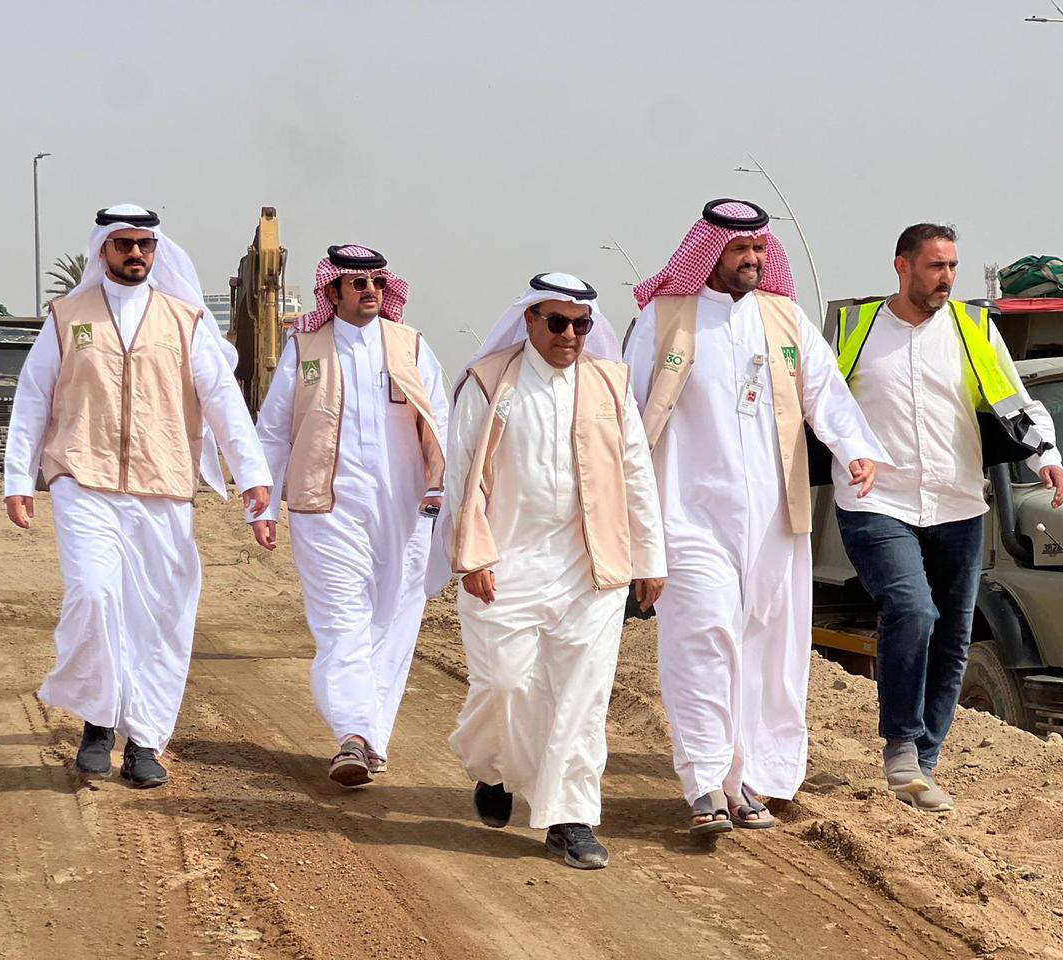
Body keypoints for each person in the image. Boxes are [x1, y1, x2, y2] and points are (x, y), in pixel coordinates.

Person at [626, 199, 886, 834]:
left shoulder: (784, 318)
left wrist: (854, 449)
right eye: (740, 249)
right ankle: (704, 781)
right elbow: (627, 415)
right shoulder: (664, 318)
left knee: (768, 646)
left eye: (760, 249)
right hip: (687, 513)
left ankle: (748, 778)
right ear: (709, 251)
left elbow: (825, 392)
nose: (752, 259)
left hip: (773, 516)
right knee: (703, 638)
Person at [4, 204, 271, 788]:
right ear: (103, 248)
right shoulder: (68, 316)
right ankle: (99, 721)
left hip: (164, 483)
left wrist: (252, 475)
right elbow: (33, 399)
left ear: (156, 250)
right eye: (123, 243)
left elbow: (224, 401)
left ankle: (145, 738)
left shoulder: (184, 320)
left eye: (144, 244)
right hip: (82, 476)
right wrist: (18, 478)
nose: (134, 253)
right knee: (94, 594)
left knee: (160, 616)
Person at [832, 224, 1062, 811]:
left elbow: (1014, 402)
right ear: (902, 266)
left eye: (953, 266)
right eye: (936, 266)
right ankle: (901, 745)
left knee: (954, 637)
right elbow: (821, 403)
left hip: (957, 503)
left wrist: (1047, 457)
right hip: (876, 501)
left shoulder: (973, 328)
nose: (947, 278)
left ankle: (923, 764)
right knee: (912, 610)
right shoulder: (856, 329)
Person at [441, 273, 665, 869]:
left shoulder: (609, 384)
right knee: (504, 684)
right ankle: (494, 768)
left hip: (589, 569)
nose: (571, 335)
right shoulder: (490, 382)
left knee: (580, 698)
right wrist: (473, 555)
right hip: (505, 564)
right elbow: (462, 476)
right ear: (529, 321)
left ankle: (571, 818)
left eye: (582, 324)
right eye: (558, 322)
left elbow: (637, 473)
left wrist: (650, 558)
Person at [251, 245, 446, 787]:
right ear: (332, 292)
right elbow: (273, 431)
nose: (370, 291)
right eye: (357, 283)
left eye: (377, 283)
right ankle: (354, 735)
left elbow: (441, 421)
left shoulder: (410, 346)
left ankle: (371, 737)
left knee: (393, 621)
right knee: (342, 623)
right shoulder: (304, 348)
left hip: (404, 509)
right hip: (325, 507)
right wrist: (262, 505)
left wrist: (441, 489)